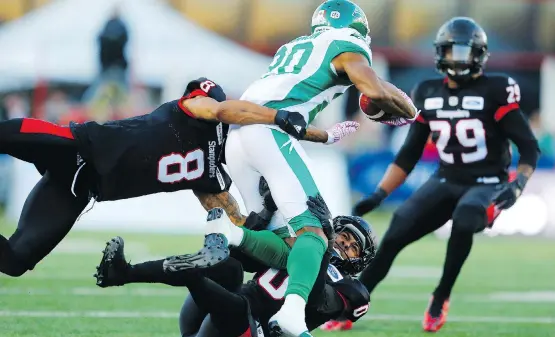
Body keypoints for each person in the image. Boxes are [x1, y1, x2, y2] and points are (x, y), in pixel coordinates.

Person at [0, 77, 356, 278]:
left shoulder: (212, 172)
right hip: (75, 146)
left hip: (78, 188)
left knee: (15, 262)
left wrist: (283, 239)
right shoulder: (194, 114)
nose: (190, 100)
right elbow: (220, 110)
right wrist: (285, 121)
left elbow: (236, 227)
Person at [222, 0, 418, 337]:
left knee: (284, 240)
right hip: (269, 133)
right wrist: (410, 112)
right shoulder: (349, 45)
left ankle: (229, 239)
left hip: (239, 136)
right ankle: (293, 313)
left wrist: (326, 135)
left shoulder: (294, 46)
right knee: (316, 230)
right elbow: (373, 92)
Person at [352, 17, 540, 333]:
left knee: (466, 217)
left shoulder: (496, 88)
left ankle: (441, 296)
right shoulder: (426, 91)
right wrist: (379, 194)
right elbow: (408, 154)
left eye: (466, 52)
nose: (459, 59)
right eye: (454, 51)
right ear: (441, 53)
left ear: (480, 55)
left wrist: (517, 184)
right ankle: (354, 299)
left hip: (487, 182)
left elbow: (529, 147)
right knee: (395, 232)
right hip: (445, 179)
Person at [94, 194, 377, 337]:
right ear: (335, 229)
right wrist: (267, 209)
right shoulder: (302, 244)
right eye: (345, 237)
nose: (345, 246)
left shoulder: (351, 289)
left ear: (359, 260)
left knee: (232, 300)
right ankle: (123, 273)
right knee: (228, 266)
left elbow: (315, 300)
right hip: (208, 320)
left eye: (354, 248)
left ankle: (188, 275)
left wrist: (323, 246)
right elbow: (245, 256)